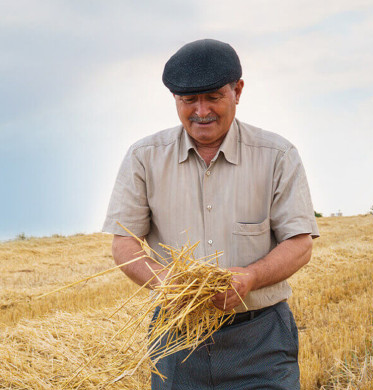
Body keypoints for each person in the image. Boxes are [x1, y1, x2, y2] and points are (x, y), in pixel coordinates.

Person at [103, 38, 319, 390]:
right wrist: (165, 282)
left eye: (213, 97)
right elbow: (123, 243)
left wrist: (249, 277)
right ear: (175, 99)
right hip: (176, 336)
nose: (201, 111)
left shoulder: (277, 155)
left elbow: (300, 243)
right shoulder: (144, 157)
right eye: (189, 100)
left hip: (260, 337)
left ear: (238, 90)